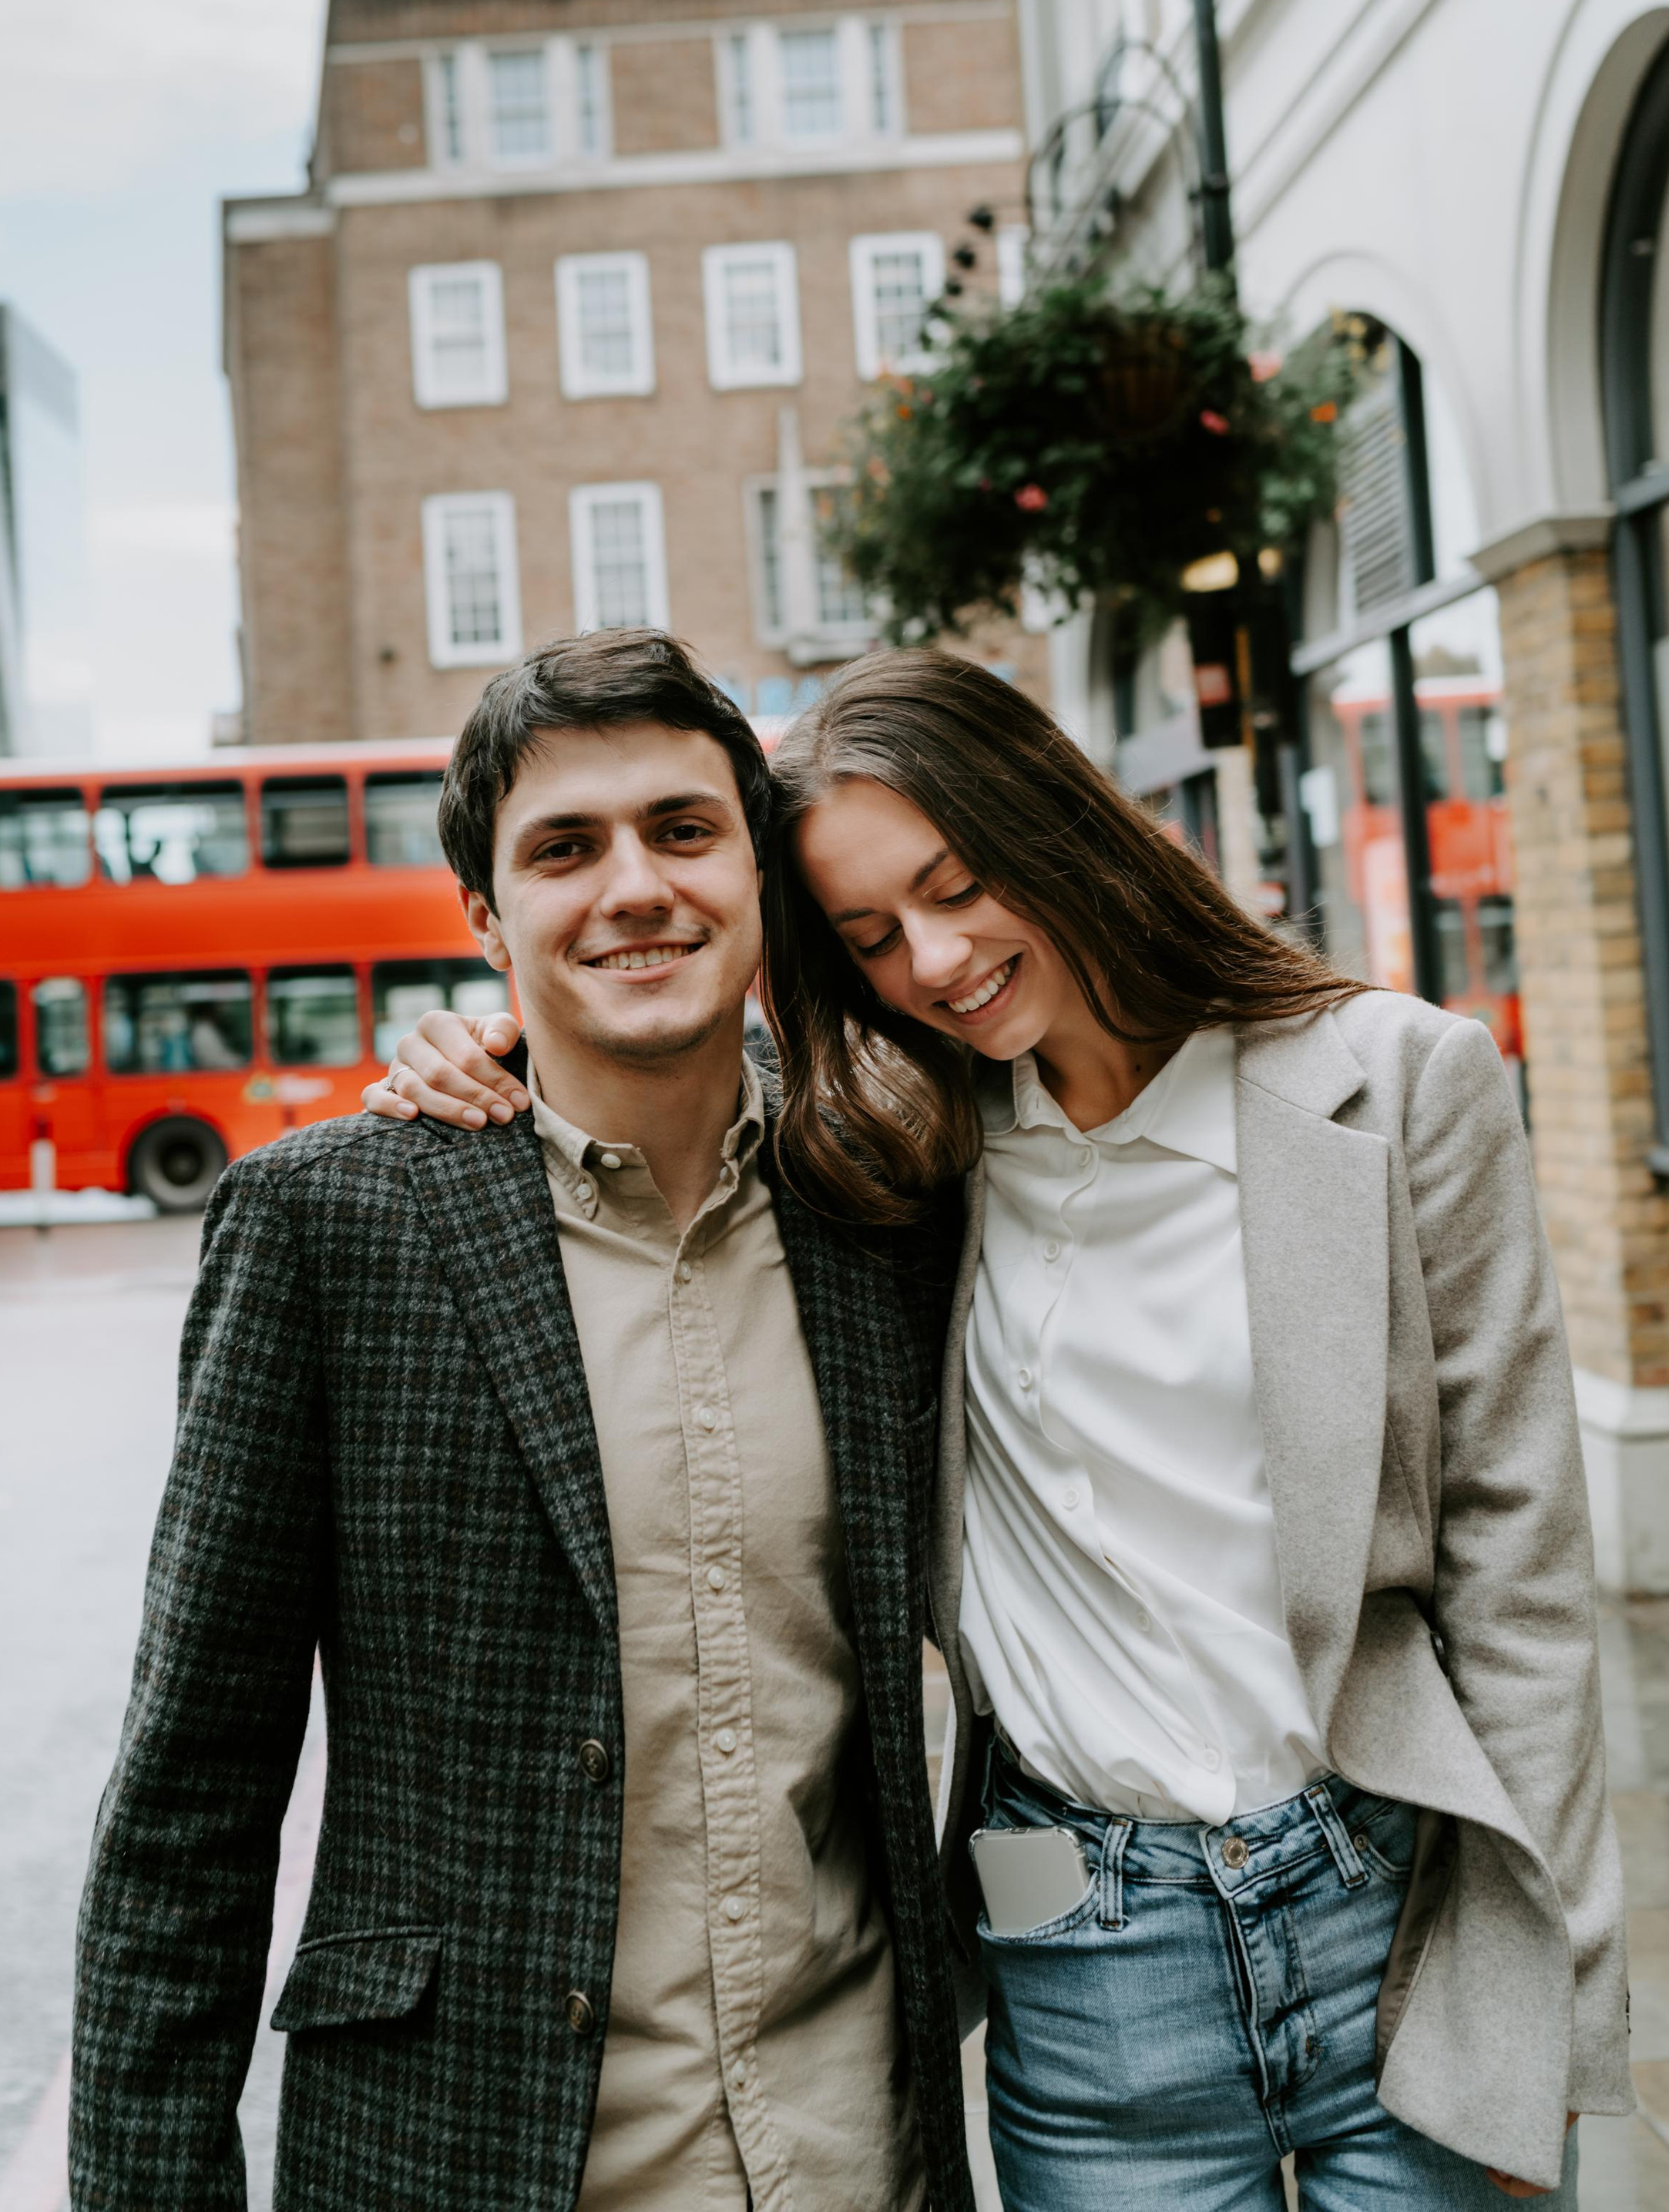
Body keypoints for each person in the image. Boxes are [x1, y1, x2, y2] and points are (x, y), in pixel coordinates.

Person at [369, 643, 1630, 2211]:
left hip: (1392, 1896)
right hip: (1088, 1946)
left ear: (1055, 823)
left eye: (959, 883)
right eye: (870, 932)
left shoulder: (1392, 1084)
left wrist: (1551, 2006)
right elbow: (649, 1067)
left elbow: (1517, 1587)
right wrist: (482, 1038)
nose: (936, 956)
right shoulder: (910, 1142)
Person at [68, 630, 974, 2212]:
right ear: (485, 917)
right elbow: (188, 1800)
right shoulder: (327, 1225)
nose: (634, 885)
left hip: (854, 2151)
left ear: (756, 870)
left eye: (682, 829)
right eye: (565, 847)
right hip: (466, 2156)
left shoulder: (879, 1192)